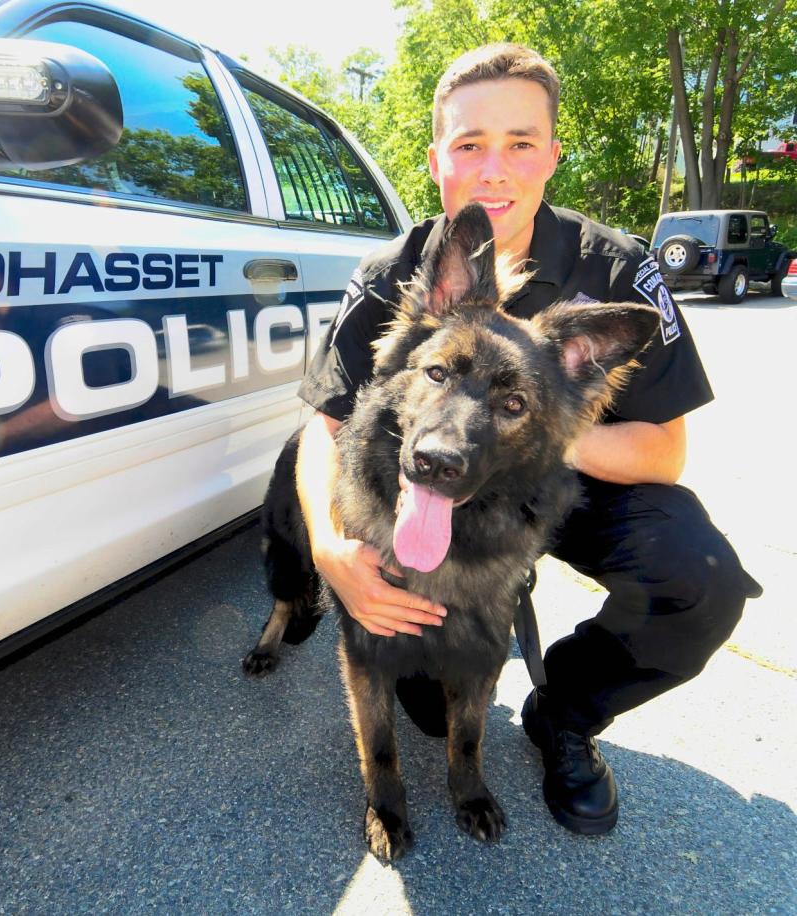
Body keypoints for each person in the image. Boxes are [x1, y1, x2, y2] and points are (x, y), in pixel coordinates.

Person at [294, 43, 762, 836]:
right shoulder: (397, 273)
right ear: (437, 156)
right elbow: (327, 420)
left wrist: (533, 427)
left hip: (563, 485)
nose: (493, 168)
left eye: (519, 143)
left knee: (701, 578)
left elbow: (663, 452)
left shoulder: (613, 266)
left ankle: (565, 713)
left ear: (552, 154)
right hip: (430, 495)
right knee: (424, 699)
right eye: (469, 144)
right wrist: (327, 548)